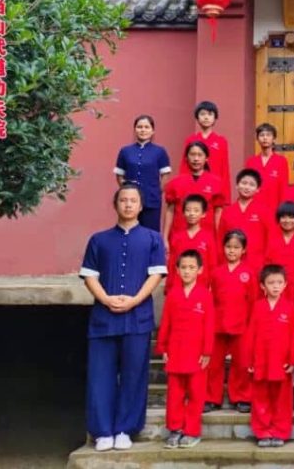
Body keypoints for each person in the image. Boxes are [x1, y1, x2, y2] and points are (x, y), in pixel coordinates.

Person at [80, 184, 166, 452]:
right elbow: (89, 276)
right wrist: (106, 299)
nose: (128, 205)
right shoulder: (98, 240)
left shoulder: (153, 239)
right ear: (115, 204)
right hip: (103, 319)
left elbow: (156, 275)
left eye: (133, 201)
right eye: (123, 200)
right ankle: (103, 431)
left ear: (141, 206)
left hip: (138, 317)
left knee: (134, 374)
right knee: (100, 375)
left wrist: (135, 300)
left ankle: (124, 429)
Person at [157, 250, 214, 449]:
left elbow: (209, 325)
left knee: (196, 395)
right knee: (175, 394)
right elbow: (166, 322)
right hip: (176, 351)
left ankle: (191, 431)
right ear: (177, 270)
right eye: (183, 267)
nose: (187, 271)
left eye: (191, 267)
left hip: (197, 354)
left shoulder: (205, 294)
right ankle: (175, 429)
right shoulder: (173, 294)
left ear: (200, 270)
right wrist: (163, 346)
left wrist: (207, 351)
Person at [243, 264, 294, 448]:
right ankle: (263, 431)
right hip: (261, 360)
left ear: (285, 285)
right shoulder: (257, 307)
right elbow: (251, 334)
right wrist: (249, 360)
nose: (276, 286)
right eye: (271, 282)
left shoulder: (289, 307)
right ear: (262, 285)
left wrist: (293, 360)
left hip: (281, 361)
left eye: (279, 282)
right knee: (260, 397)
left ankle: (280, 431)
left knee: (282, 399)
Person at [206, 230, 257, 414]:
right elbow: (210, 300)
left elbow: (253, 301)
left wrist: (251, 326)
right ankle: (211, 397)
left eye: (236, 247)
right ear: (223, 248)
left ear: (244, 250)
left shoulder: (249, 273)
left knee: (242, 363)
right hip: (218, 325)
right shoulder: (216, 273)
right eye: (228, 246)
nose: (232, 251)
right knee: (213, 364)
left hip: (242, 325)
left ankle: (241, 397)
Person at [114, 114, 172, 232]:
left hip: (151, 199)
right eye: (140, 127)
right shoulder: (125, 151)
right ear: (135, 129)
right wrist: (126, 190)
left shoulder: (159, 151)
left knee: (150, 231)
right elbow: (119, 175)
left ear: (152, 131)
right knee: (129, 229)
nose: (143, 130)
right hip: (130, 201)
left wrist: (157, 191)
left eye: (146, 127)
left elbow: (165, 175)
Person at [163, 141, 225, 252]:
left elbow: (218, 212)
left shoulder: (216, 182)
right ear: (186, 158)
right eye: (192, 154)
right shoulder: (175, 183)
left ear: (206, 158)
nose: (196, 159)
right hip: (179, 234)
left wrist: (218, 239)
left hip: (206, 237)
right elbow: (170, 211)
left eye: (200, 155)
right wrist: (165, 238)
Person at [177, 101, 231, 202]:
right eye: (202, 114)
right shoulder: (190, 140)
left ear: (215, 118)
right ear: (197, 117)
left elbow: (224, 169)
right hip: (193, 186)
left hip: (214, 188)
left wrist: (225, 197)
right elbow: (184, 165)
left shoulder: (221, 141)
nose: (206, 117)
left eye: (210, 114)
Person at [165, 195, 216, 294]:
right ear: (183, 213)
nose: (192, 214)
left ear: (203, 214)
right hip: (178, 287)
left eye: (196, 210)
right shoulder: (177, 237)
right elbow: (172, 264)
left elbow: (212, 265)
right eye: (188, 210)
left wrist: (212, 286)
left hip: (202, 286)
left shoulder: (208, 238)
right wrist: (168, 286)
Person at [218, 169, 268, 265]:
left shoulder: (264, 211)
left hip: (257, 263)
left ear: (258, 189)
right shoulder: (228, 211)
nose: (247, 187)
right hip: (232, 262)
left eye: (252, 185)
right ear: (237, 185)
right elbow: (221, 238)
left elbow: (270, 239)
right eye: (244, 183)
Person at [265, 201, 294, 298]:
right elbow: (267, 265)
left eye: (291, 217)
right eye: (283, 217)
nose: (287, 221)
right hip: (276, 289)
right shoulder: (272, 240)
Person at [245, 123, 289, 209]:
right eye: (262, 135)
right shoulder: (251, 162)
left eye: (268, 135)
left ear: (274, 139)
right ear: (257, 139)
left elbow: (283, 188)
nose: (265, 138)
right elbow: (248, 186)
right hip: (254, 207)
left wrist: (282, 210)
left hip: (274, 207)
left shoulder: (281, 161)